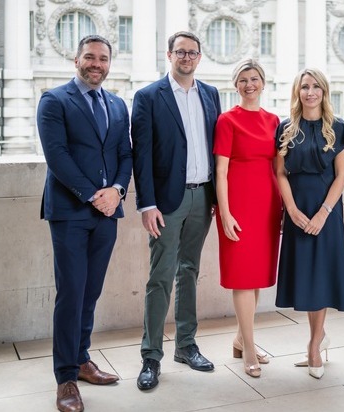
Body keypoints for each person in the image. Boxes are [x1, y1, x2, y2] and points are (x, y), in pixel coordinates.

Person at [37, 34, 132, 412]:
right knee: (71, 293)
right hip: (70, 212)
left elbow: (125, 153)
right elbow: (57, 156)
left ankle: (81, 358)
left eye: (103, 59)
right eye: (90, 57)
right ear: (76, 60)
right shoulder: (54, 100)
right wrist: (95, 195)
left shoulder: (117, 104)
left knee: (90, 292)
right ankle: (65, 378)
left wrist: (118, 191)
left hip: (107, 212)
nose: (97, 64)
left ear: (109, 64)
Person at [131, 31, 221, 390]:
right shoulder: (148, 97)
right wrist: (147, 203)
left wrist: (218, 199)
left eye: (192, 52)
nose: (186, 57)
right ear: (169, 55)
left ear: (199, 57)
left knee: (189, 271)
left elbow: (217, 148)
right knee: (161, 276)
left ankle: (186, 346)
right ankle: (151, 356)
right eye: (180, 52)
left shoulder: (211, 94)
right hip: (167, 202)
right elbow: (141, 155)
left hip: (203, 197)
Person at [275, 68, 344, 380]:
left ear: (324, 91)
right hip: (298, 211)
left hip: (326, 211)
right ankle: (318, 338)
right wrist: (291, 209)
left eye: (316, 86)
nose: (310, 92)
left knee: (320, 277)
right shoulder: (286, 128)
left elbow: (341, 176)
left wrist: (323, 213)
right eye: (305, 87)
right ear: (298, 91)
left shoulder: (338, 127)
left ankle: (314, 345)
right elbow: (280, 173)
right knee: (306, 279)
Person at [213, 59, 281, 378]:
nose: (249, 84)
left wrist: (283, 207)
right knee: (242, 276)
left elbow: (278, 168)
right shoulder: (227, 120)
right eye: (243, 79)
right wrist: (225, 213)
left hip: (267, 204)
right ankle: (250, 350)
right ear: (235, 85)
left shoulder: (274, 121)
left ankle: (241, 340)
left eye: (254, 79)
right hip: (237, 205)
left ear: (263, 83)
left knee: (255, 276)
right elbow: (221, 171)